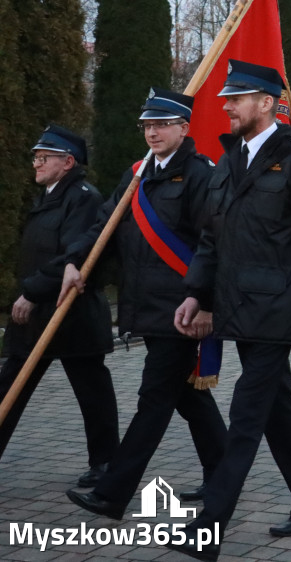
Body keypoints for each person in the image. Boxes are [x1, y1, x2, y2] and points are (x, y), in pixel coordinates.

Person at [169, 60, 291, 558]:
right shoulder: (230, 161)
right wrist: (197, 294)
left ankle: (208, 527)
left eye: (236, 98)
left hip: (277, 308)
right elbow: (212, 238)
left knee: (247, 415)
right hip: (239, 308)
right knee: (277, 409)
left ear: (268, 103)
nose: (227, 107)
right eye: (226, 99)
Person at [63, 88, 226, 520]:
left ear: (184, 128)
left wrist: (204, 301)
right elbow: (105, 225)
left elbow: (214, 244)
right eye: (147, 126)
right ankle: (225, 473)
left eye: (162, 125)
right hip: (146, 305)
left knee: (154, 398)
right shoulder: (137, 174)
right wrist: (76, 260)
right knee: (187, 395)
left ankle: (112, 492)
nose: (152, 133)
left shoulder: (199, 175)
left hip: (181, 309)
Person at [0, 126, 119, 487]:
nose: (36, 164)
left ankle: (106, 464)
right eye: (35, 157)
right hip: (37, 315)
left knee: (92, 393)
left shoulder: (83, 198)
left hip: (71, 315)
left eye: (44, 158)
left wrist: (31, 292)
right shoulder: (49, 196)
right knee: (10, 385)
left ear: (68, 162)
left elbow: (72, 258)